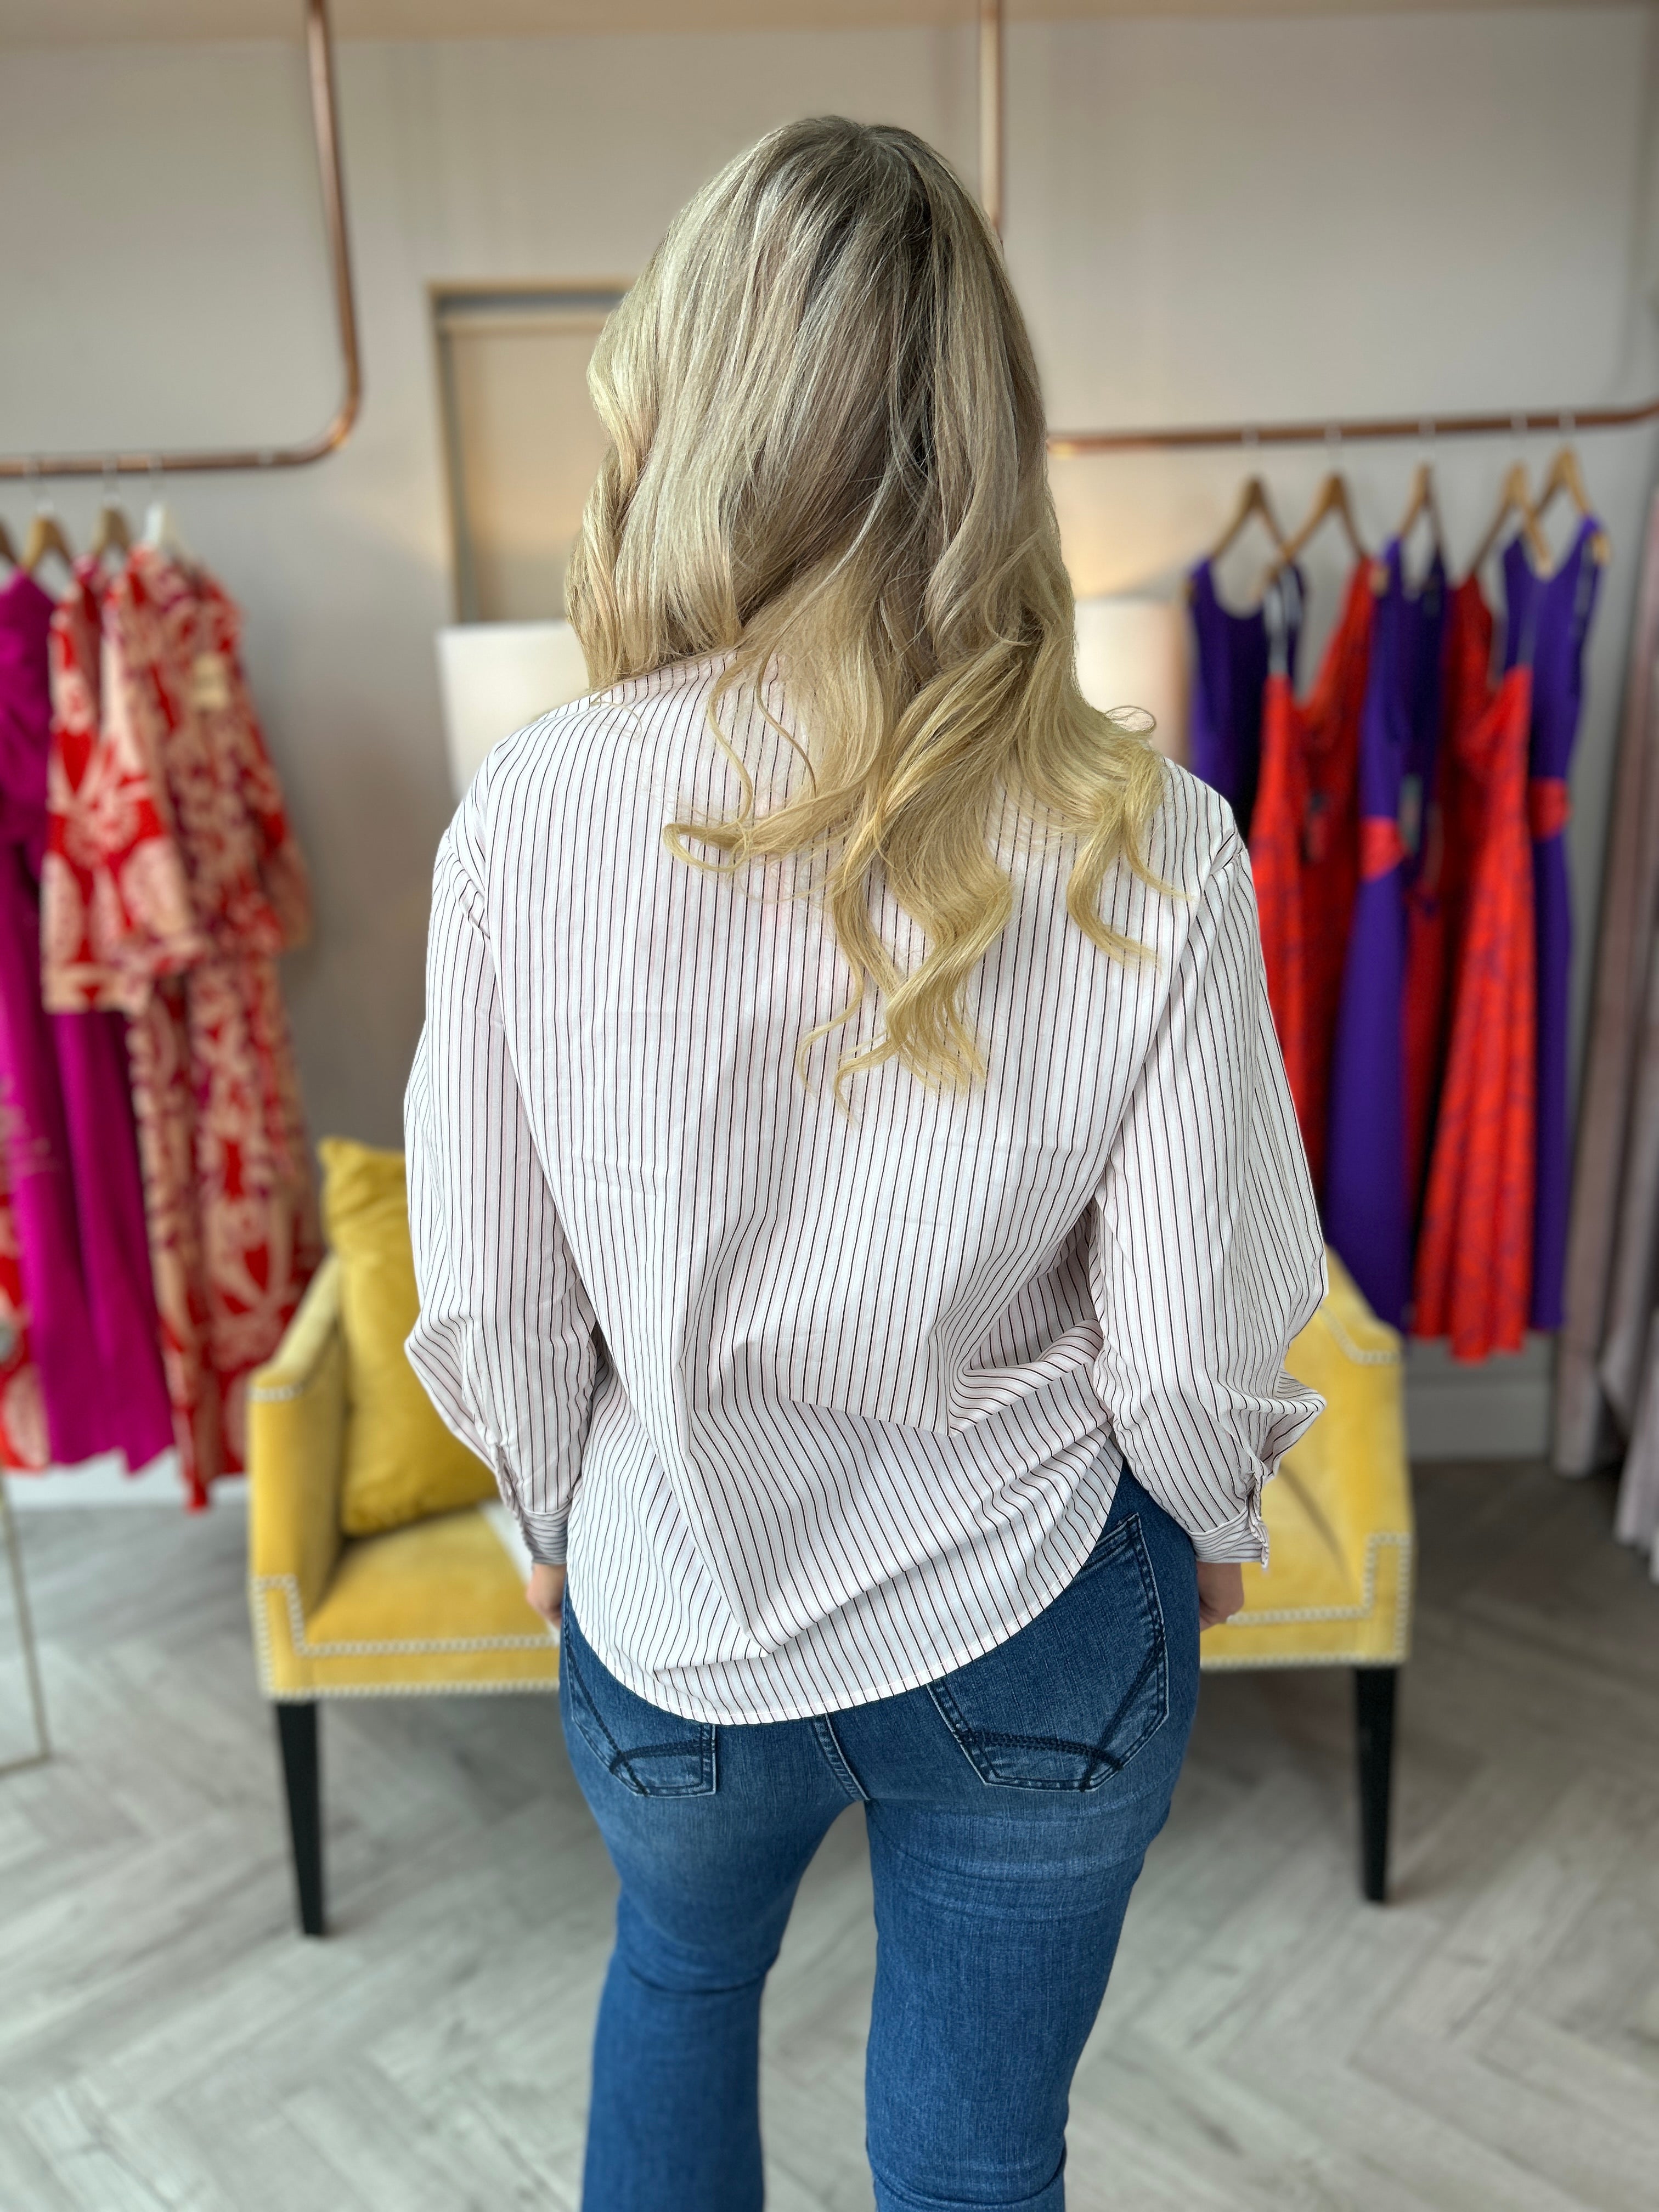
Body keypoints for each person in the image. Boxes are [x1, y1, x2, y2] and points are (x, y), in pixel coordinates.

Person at [405, 115, 1325, 2212]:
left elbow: (489, 1289)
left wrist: (544, 1508)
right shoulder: (1150, 836)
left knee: (677, 1979)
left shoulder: (530, 814)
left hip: (677, 1608)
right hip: (1038, 1605)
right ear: (990, 433)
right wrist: (1212, 1516)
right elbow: (1193, 1330)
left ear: (684, 404)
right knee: (978, 2165)